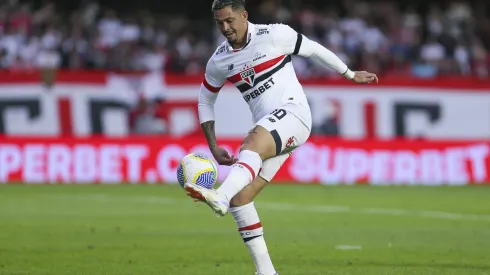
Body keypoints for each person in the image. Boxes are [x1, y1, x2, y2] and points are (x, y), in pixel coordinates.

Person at [184, 1, 378, 274]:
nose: (225, 28)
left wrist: (349, 74)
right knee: (242, 199)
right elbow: (205, 99)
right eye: (220, 23)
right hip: (272, 128)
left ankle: (220, 195)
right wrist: (213, 146)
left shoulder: (274, 35)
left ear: (244, 15)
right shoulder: (219, 60)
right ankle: (266, 271)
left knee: (250, 144)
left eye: (230, 20)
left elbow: (312, 49)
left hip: (295, 115)